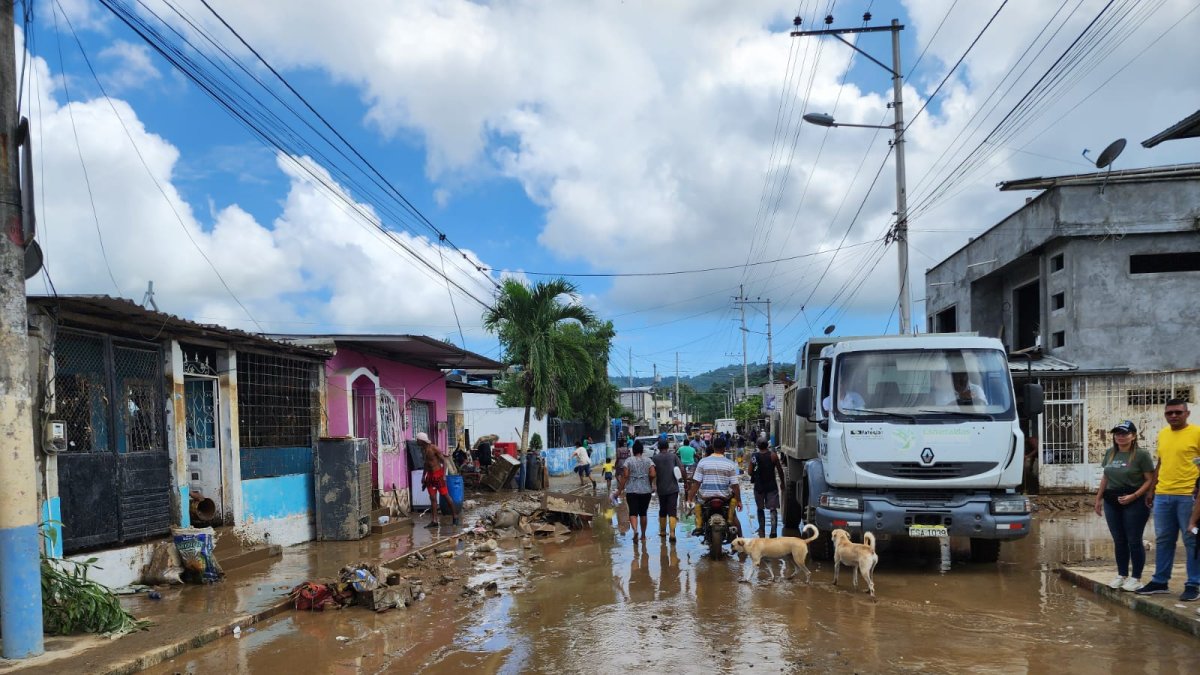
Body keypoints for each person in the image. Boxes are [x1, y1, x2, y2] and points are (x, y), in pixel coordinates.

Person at [1136, 399, 1200, 600]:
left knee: (1192, 540)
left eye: (1178, 412)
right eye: (1169, 413)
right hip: (1163, 495)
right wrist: (1152, 490)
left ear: (1187, 414)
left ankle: (1193, 584)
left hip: (1188, 496)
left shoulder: (1197, 433)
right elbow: (1161, 463)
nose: (1173, 416)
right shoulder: (1163, 434)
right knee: (1163, 540)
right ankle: (1160, 581)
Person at [1093, 420, 1155, 591]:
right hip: (1112, 500)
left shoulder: (1141, 455)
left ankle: (1136, 578)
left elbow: (1150, 480)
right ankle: (1121, 575)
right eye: (1118, 433)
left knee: (1133, 540)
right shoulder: (1110, 453)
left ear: (1133, 436)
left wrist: (1134, 496)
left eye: (1125, 433)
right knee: (1119, 540)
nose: (1120, 437)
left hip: (1135, 500)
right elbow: (1106, 477)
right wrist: (1098, 499)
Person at [687, 435, 741, 537]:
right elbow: (735, 485)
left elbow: (696, 484)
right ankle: (731, 523)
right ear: (724, 449)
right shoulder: (730, 464)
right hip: (724, 497)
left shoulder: (702, 462)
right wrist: (739, 501)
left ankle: (698, 526)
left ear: (713, 447)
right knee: (733, 501)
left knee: (697, 502)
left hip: (706, 497)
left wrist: (689, 498)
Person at [418, 431, 459, 528]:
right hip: (430, 477)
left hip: (438, 475)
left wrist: (444, 476)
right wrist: (424, 476)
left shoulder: (434, 448)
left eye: (418, 440)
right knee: (432, 498)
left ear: (422, 441)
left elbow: (444, 462)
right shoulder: (423, 450)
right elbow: (426, 464)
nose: (416, 442)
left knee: (446, 496)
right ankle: (434, 520)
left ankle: (455, 516)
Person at [618, 441, 656, 542]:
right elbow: (652, 474)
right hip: (645, 490)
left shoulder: (628, 461)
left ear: (633, 451)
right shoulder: (648, 461)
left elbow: (625, 476)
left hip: (631, 490)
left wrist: (619, 490)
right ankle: (643, 535)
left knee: (633, 512)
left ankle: (635, 531)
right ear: (642, 450)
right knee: (643, 513)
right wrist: (650, 482)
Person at [749, 438, 787, 538]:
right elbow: (780, 471)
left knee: (760, 508)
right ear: (767, 445)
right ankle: (773, 530)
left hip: (759, 487)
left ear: (757, 445)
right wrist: (782, 483)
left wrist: (756, 471)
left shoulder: (754, 457)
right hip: (771, 486)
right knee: (773, 508)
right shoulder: (773, 455)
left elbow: (749, 472)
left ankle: (762, 529)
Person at [651, 438, 684, 542]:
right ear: (668, 447)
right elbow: (681, 469)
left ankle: (662, 531)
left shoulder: (655, 458)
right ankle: (672, 533)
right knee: (672, 510)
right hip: (673, 488)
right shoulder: (673, 456)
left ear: (659, 448)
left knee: (663, 510)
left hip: (661, 489)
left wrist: (652, 484)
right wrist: (686, 481)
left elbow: (652, 473)